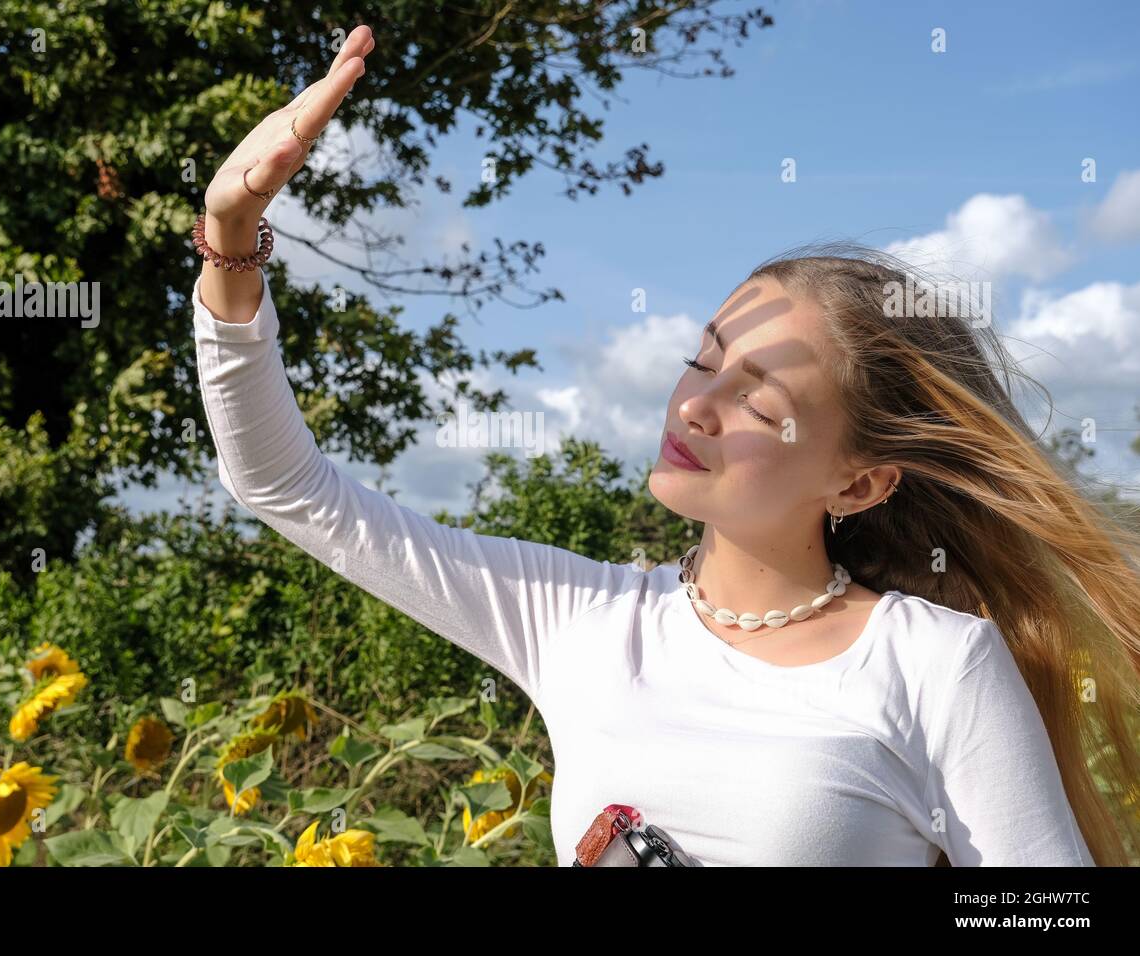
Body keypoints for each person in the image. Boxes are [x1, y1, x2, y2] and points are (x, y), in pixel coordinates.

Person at [190, 24, 1140, 866]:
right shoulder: (579, 620)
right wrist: (232, 244)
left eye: (761, 404)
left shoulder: (935, 665)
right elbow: (284, 483)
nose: (694, 407)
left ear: (860, 482)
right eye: (703, 359)